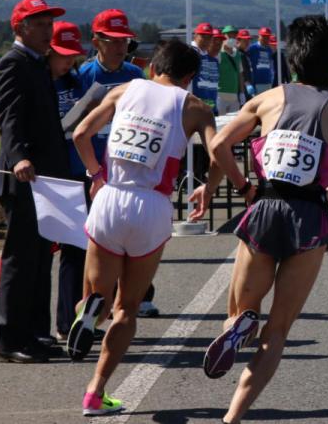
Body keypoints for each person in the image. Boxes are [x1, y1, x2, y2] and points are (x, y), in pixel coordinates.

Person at [191, 16, 328, 424]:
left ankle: (239, 324)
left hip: (264, 209)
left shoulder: (268, 99)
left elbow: (218, 145)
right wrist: (323, 194)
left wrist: (241, 187)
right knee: (278, 332)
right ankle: (232, 418)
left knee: (239, 310)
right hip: (311, 219)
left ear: (293, 58)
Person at [68, 40, 221, 417]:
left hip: (110, 196)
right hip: (152, 206)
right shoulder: (196, 108)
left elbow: (80, 133)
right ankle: (95, 391)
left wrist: (95, 173)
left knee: (96, 295)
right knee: (128, 309)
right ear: (189, 78)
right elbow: (219, 153)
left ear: (153, 67)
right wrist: (210, 188)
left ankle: (89, 310)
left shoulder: (123, 89)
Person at [0, 0, 69, 364]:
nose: (47, 29)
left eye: (49, 22)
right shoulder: (13, 63)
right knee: (20, 259)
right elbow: (9, 117)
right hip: (23, 176)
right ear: (20, 28)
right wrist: (19, 155)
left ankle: (36, 332)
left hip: (46, 178)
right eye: (39, 23)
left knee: (40, 258)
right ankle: (11, 339)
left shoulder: (38, 64)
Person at [77, 9, 155, 318]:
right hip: (92, 166)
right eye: (112, 41)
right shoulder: (83, 75)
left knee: (132, 232)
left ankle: (135, 296)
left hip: (128, 168)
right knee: (95, 238)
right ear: (96, 41)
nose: (120, 47)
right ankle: (92, 304)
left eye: (125, 40)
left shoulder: (136, 76)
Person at [48, 21, 89, 343]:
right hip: (51, 176)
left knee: (80, 250)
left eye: (73, 55)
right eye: (63, 55)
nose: (68, 61)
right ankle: (58, 323)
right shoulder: (39, 82)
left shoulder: (76, 81)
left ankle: (75, 320)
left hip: (79, 173)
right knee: (59, 251)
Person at [191, 22, 221, 112]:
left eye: (209, 38)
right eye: (203, 36)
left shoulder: (212, 59)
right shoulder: (190, 53)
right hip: (194, 107)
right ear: (195, 36)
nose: (206, 40)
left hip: (210, 107)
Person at [247, 28, 276, 95]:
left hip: (268, 82)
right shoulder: (253, 48)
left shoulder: (269, 49)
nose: (266, 39)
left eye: (267, 37)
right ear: (259, 36)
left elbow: (271, 65)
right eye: (264, 36)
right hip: (257, 82)